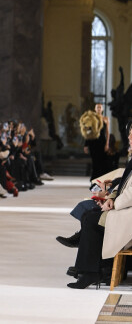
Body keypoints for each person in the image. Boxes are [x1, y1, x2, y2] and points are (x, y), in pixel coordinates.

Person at [67, 123, 132, 289]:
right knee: (91, 215)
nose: (129, 137)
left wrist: (113, 203)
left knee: (91, 219)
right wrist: (111, 197)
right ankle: (90, 270)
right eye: (129, 133)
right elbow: (125, 185)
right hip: (125, 209)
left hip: (128, 214)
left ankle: (91, 271)